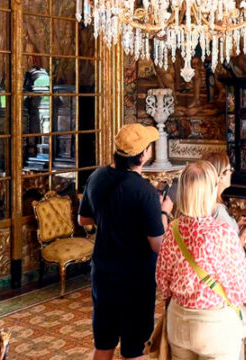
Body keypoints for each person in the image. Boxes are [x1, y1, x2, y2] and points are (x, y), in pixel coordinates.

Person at [77, 123, 173, 360]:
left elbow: (83, 219)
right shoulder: (145, 192)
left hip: (103, 274)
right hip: (135, 281)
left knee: (104, 343)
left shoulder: (97, 176)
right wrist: (164, 212)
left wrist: (113, 220)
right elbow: (158, 245)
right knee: (134, 349)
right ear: (143, 155)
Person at [156, 161, 246, 360]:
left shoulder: (173, 230)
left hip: (178, 323)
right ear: (211, 190)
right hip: (214, 327)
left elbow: (162, 279)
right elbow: (243, 288)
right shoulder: (221, 233)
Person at [201, 152, 246, 246]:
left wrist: (236, 226)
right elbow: (229, 252)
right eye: (230, 170)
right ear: (221, 176)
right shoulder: (217, 210)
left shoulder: (203, 203)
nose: (231, 173)